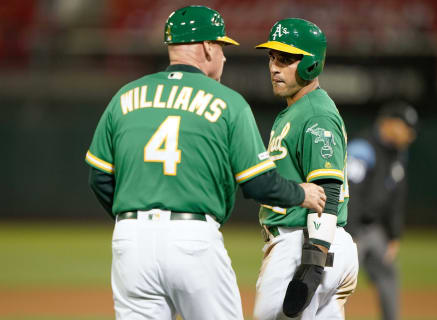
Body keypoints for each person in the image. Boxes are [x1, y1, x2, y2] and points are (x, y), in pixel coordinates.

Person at [85, 6, 328, 320]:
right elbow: (259, 184)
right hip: (192, 239)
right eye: (222, 47)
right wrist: (302, 194)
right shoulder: (227, 102)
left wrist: (134, 221)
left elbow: (99, 178)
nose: (224, 56)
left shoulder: (125, 96)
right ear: (205, 47)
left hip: (130, 241)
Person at [253, 18, 359, 320]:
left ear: (310, 64)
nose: (274, 67)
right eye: (272, 57)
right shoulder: (298, 109)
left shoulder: (315, 113)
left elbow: (328, 191)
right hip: (315, 243)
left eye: (285, 59)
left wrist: (312, 266)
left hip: (304, 244)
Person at [345, 101, 418, 320]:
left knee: (389, 274)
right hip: (351, 230)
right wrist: (350, 233)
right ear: (389, 123)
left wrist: (394, 235)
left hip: (376, 231)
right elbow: (351, 192)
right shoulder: (362, 148)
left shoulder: (398, 155)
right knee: (336, 280)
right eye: (406, 126)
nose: (410, 134)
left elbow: (397, 197)